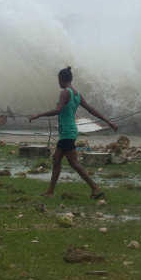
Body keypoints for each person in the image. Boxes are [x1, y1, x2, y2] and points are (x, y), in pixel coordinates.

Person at [28, 66, 117, 199]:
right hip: (70, 131)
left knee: (73, 163)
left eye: (58, 79)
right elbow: (91, 110)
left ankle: (95, 188)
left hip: (67, 132)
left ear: (61, 79)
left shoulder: (65, 92)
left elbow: (58, 110)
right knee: (57, 159)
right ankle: (51, 191)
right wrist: (108, 121)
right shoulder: (77, 94)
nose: (58, 82)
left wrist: (38, 115)